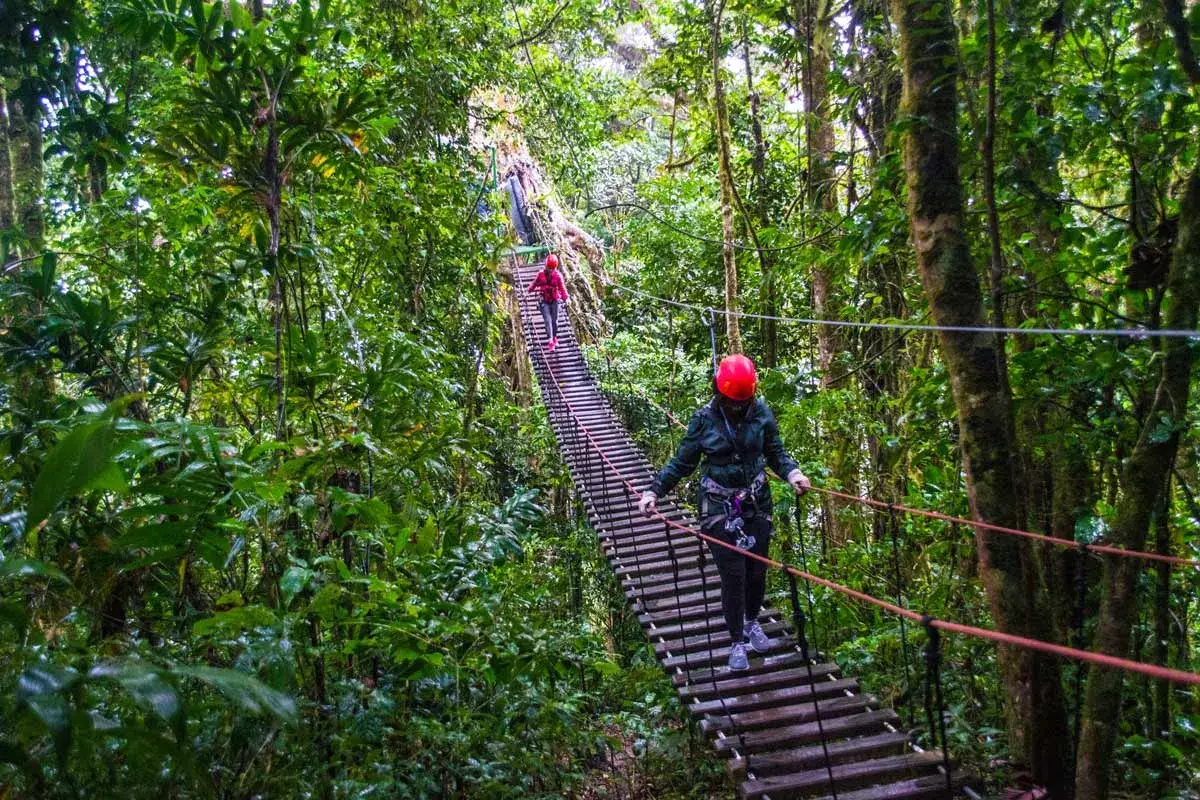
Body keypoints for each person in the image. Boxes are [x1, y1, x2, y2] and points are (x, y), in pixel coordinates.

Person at [638, 354, 811, 671]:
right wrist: (654, 491)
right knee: (734, 575)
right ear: (721, 393)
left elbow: (775, 451)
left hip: (757, 502)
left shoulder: (760, 413)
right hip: (718, 507)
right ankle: (736, 642)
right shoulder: (704, 420)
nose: (737, 408)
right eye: (732, 402)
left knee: (757, 570)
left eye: (741, 403)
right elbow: (683, 462)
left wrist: (793, 474)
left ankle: (751, 622)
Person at [527, 253, 569, 351]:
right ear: (546, 266)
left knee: (555, 321)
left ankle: (554, 338)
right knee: (548, 320)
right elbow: (534, 284)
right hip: (544, 300)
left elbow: (562, 288)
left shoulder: (558, 276)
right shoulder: (541, 275)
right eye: (549, 267)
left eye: (552, 268)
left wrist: (566, 298)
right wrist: (528, 291)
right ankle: (550, 340)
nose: (550, 270)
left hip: (555, 300)